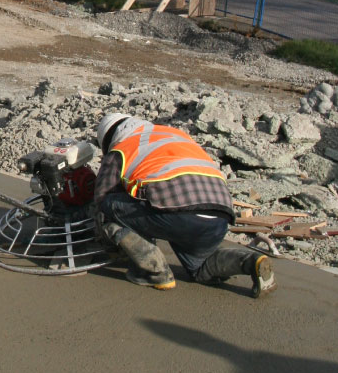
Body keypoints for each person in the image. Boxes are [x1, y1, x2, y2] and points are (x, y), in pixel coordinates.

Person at [91, 112, 273, 295]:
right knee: (201, 268)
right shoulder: (174, 134)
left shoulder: (122, 147)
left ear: (108, 139)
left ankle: (154, 272)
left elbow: (102, 194)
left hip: (177, 211)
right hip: (220, 214)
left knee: (108, 207)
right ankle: (252, 262)